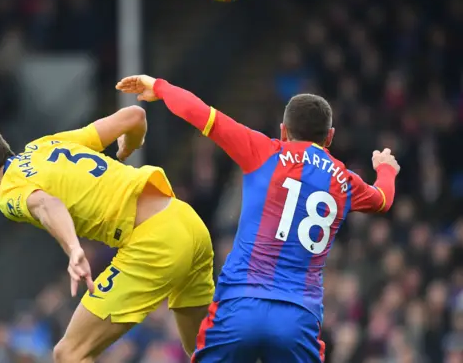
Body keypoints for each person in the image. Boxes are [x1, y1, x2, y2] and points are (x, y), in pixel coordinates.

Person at [116, 75, 400, 363]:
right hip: (298, 318)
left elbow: (200, 113)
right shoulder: (345, 181)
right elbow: (383, 199)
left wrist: (160, 87)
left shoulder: (265, 151)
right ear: (329, 137)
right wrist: (386, 168)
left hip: (239, 306)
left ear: (283, 130)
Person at [0, 106, 214, 363]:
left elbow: (47, 204)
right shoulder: (45, 145)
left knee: (69, 353)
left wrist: (73, 249)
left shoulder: (9, 192)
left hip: (156, 242)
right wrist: (131, 144)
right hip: (186, 221)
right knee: (205, 353)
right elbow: (135, 116)